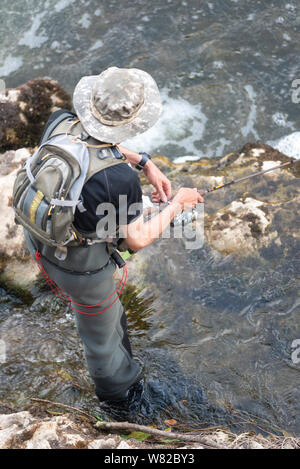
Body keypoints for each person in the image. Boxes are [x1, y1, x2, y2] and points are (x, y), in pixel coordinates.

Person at [23, 67, 203, 406]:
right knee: (103, 344)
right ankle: (119, 401)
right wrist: (178, 204)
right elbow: (137, 240)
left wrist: (144, 161)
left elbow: (92, 146)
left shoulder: (61, 120)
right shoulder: (118, 180)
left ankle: (55, 290)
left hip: (38, 236)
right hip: (81, 272)